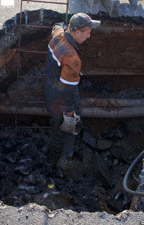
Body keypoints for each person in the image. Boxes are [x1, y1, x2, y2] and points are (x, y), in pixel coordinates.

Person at [44, 13, 101, 174]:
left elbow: (56, 28)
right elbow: (68, 90)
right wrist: (69, 112)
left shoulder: (58, 36)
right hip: (61, 99)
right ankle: (61, 160)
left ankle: (54, 159)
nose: (89, 36)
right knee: (68, 127)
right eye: (87, 32)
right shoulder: (72, 58)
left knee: (57, 124)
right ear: (76, 32)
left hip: (49, 90)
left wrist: (60, 25)